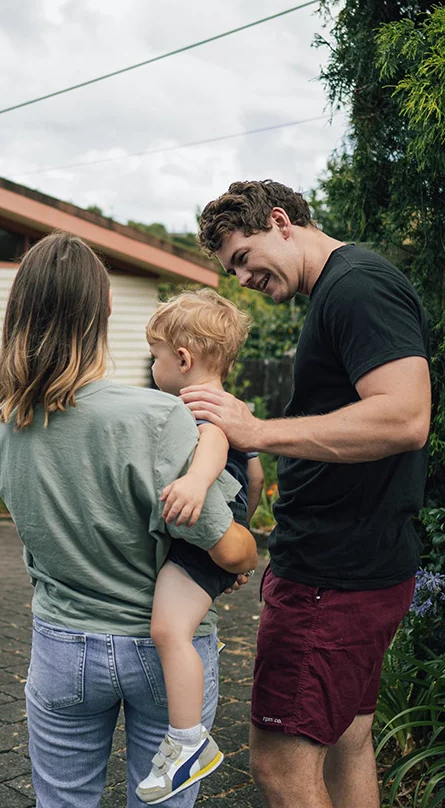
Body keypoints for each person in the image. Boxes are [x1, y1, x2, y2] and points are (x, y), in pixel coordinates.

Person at [182, 180, 431, 808]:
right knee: (349, 739)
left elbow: (405, 417)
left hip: (332, 575)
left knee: (280, 762)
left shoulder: (356, 288)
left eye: (242, 258)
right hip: (356, 565)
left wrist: (257, 430)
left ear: (279, 221)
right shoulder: (342, 288)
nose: (240, 278)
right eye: (230, 269)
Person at [0, 232, 259, 808]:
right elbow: (229, 548)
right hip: (161, 654)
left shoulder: (7, 422)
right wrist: (238, 560)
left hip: (62, 645)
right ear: (104, 312)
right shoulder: (159, 417)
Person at [138, 290, 265, 804]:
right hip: (216, 536)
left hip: (199, 535)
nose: (153, 366)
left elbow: (212, 441)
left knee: (169, 629)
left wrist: (195, 484)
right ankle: (186, 737)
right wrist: (234, 535)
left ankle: (188, 740)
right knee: (175, 627)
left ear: (183, 360)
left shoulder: (197, 404)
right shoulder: (238, 407)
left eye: (157, 356)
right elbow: (254, 476)